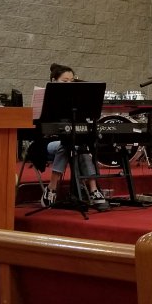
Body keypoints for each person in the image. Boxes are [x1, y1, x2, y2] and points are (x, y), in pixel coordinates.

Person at [39, 64, 109, 211]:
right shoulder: (46, 98)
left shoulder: (77, 101)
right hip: (48, 142)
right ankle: (52, 187)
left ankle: (93, 190)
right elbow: (41, 126)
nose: (69, 84)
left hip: (72, 141)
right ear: (54, 81)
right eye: (65, 81)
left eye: (71, 81)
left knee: (78, 146)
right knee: (66, 144)